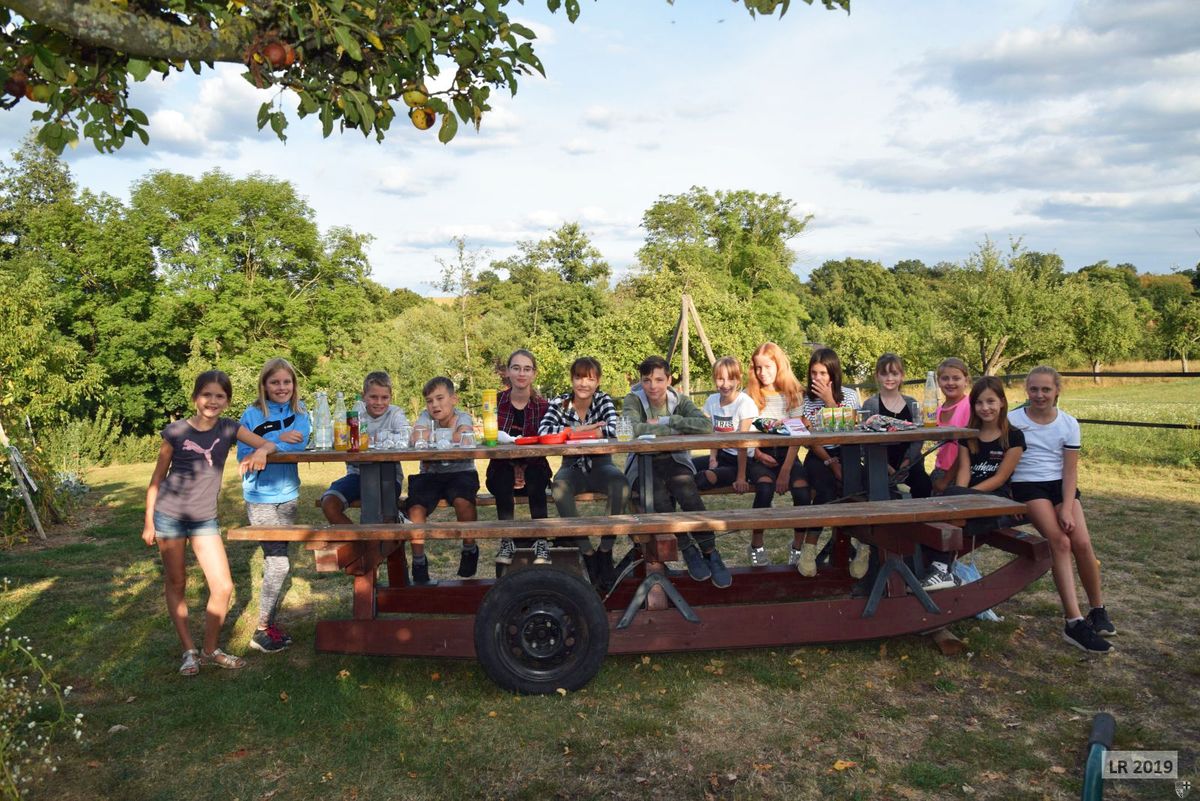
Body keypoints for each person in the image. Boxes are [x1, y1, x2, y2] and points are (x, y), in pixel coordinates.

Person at [142, 370, 276, 676]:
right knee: (176, 582)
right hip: (170, 516)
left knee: (223, 585)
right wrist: (149, 521)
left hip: (204, 519)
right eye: (207, 395)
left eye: (219, 396)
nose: (212, 401)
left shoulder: (229, 428)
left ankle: (211, 648)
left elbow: (269, 444)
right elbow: (156, 479)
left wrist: (259, 451)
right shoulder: (175, 433)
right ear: (195, 397)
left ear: (227, 401)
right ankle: (189, 651)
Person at [1009, 366, 1114, 654]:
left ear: (1057, 391)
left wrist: (1067, 507)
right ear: (1026, 390)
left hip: (1060, 486)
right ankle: (1073, 621)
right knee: (1060, 541)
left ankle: (1098, 609)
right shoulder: (1014, 420)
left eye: (1046, 389)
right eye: (1034, 389)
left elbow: (1070, 472)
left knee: (1081, 541)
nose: (1039, 395)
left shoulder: (1068, 423)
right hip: (1028, 485)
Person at [622, 355, 731, 588]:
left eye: (659, 380)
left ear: (669, 379)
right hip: (642, 462)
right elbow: (632, 429)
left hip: (675, 458)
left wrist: (665, 421)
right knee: (657, 495)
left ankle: (710, 550)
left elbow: (705, 425)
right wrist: (671, 429)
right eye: (647, 380)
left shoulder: (678, 399)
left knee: (687, 489)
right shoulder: (633, 399)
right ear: (641, 380)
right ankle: (685, 545)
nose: (653, 386)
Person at [924, 376, 1027, 591]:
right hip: (966, 495)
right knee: (936, 509)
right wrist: (962, 495)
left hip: (996, 498)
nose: (985, 408)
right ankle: (934, 568)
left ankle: (941, 568)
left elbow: (1000, 478)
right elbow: (963, 471)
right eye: (979, 402)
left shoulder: (1014, 437)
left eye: (990, 401)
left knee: (946, 501)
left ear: (1002, 402)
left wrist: (965, 496)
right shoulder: (969, 435)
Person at [238, 358, 311, 654]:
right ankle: (261, 629)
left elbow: (301, 443)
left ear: (293, 385)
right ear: (264, 385)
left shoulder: (300, 412)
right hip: (260, 497)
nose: (281, 387)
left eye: (286, 382)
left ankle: (269, 623)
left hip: (289, 495)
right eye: (275, 382)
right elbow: (243, 451)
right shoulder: (253, 414)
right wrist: (275, 438)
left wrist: (267, 446)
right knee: (280, 563)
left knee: (276, 560)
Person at [539, 356, 629, 588]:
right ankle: (587, 553)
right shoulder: (561, 401)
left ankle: (605, 551)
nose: (583, 384)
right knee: (559, 487)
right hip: (572, 466)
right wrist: (587, 429)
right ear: (572, 379)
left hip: (601, 463)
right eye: (579, 377)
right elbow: (545, 430)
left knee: (621, 484)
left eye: (590, 379)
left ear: (597, 382)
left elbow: (613, 428)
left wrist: (570, 433)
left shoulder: (603, 399)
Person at [406, 376, 480, 583]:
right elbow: (416, 438)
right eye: (430, 401)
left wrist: (431, 437)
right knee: (415, 508)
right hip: (429, 474)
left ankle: (469, 547)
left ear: (453, 399)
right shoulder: (424, 417)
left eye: (440, 398)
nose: (435, 405)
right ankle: (419, 559)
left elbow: (465, 436)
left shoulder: (463, 416)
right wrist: (449, 437)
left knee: (463, 500)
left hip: (461, 472)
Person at [799, 347, 865, 578]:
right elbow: (807, 438)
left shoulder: (849, 395)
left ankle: (863, 546)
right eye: (814, 373)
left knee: (860, 489)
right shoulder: (806, 399)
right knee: (825, 490)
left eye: (822, 374)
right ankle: (809, 547)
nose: (817, 378)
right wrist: (830, 462)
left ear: (833, 375)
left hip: (847, 451)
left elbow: (851, 430)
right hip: (820, 454)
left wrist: (829, 402)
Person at [743, 342, 810, 569]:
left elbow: (796, 436)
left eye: (768, 367)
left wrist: (785, 471)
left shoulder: (793, 393)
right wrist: (759, 454)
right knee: (764, 487)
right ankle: (756, 545)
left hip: (787, 454)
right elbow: (747, 430)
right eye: (758, 368)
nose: (763, 373)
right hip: (759, 453)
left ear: (778, 365)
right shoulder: (749, 394)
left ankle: (798, 547)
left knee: (801, 489)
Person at [486, 349, 552, 566]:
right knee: (502, 476)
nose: (521, 373)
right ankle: (507, 539)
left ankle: (541, 540)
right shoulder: (494, 403)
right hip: (502, 468)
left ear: (534, 374)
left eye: (527, 369)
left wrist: (522, 468)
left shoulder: (543, 406)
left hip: (534, 467)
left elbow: (546, 443)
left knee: (536, 476)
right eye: (516, 368)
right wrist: (514, 467)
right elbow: (489, 441)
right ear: (507, 372)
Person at [320, 371, 410, 526]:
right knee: (329, 502)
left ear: (391, 397)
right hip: (357, 475)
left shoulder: (395, 413)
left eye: (384, 397)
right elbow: (337, 441)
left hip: (388, 477)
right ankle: (359, 545)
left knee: (384, 515)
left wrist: (374, 439)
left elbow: (408, 437)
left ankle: (379, 544)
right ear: (364, 396)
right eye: (373, 397)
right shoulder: (355, 415)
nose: (379, 402)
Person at [859, 353, 932, 499]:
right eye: (884, 373)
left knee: (924, 485)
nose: (889, 378)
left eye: (894, 373)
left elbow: (918, 437)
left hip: (909, 461)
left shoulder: (912, 403)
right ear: (877, 376)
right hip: (880, 462)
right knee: (884, 494)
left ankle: (918, 519)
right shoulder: (870, 404)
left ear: (902, 376)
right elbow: (864, 440)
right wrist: (888, 468)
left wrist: (906, 463)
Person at [694, 356, 759, 495]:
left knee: (703, 478)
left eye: (730, 379)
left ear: (739, 379)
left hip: (742, 462)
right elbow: (711, 433)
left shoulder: (745, 403)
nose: (725, 384)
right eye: (720, 379)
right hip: (722, 456)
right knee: (683, 469)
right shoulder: (711, 401)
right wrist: (712, 458)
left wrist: (741, 478)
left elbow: (742, 444)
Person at [930, 357, 971, 495]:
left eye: (956, 378)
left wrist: (945, 481)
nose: (950, 383)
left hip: (961, 472)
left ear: (966, 381)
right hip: (941, 469)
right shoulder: (939, 410)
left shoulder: (969, 406)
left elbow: (967, 449)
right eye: (945, 378)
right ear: (938, 382)